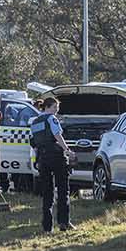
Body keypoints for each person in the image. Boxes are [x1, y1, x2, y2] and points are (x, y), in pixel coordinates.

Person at [29, 96, 74, 233]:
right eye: (55, 107)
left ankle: (47, 227)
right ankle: (64, 223)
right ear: (48, 107)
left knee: (47, 193)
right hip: (56, 156)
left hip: (43, 158)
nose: (56, 110)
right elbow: (57, 135)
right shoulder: (52, 119)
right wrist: (67, 150)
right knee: (62, 190)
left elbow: (33, 143)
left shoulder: (35, 122)